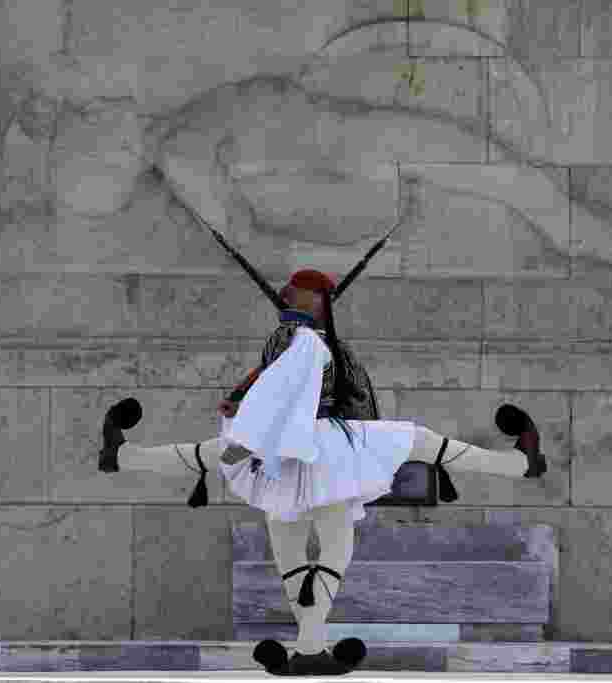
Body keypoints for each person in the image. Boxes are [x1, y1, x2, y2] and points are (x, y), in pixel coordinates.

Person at [98, 268, 546, 675]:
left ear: (314, 300)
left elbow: (280, 390)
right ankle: (520, 464)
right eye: (296, 292)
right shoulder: (304, 342)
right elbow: (294, 391)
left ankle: (123, 456)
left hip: (288, 450)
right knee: (411, 451)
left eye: (301, 293)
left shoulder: (300, 341)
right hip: (317, 449)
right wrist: (253, 400)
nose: (291, 295)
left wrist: (246, 405)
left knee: (231, 477)